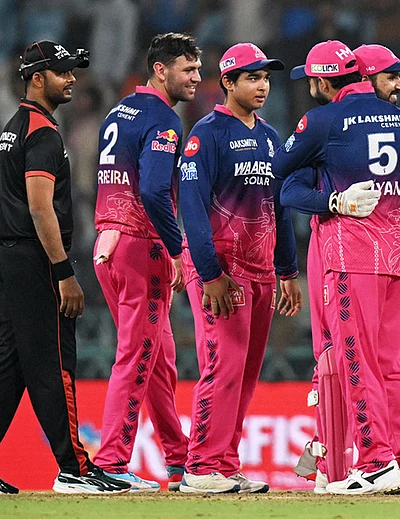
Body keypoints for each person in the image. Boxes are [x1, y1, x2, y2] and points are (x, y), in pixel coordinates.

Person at [0, 40, 130, 495]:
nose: (71, 79)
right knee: (54, 364)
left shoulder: (15, 127)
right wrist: (64, 271)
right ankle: (75, 469)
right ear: (36, 77)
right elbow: (40, 208)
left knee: (12, 364)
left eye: (72, 72)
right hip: (37, 259)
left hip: (13, 255)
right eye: (63, 72)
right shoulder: (43, 132)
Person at [273, 40, 400, 495]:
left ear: (323, 80)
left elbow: (277, 174)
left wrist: (326, 198)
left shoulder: (321, 121)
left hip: (353, 256)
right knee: (390, 362)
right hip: (399, 254)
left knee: (355, 360)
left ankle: (378, 462)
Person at [176, 43, 302, 494]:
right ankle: (201, 466)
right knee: (222, 366)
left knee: (245, 374)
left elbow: (281, 205)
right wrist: (209, 274)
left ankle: (225, 464)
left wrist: (287, 270)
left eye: (265, 77)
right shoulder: (206, 134)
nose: (262, 85)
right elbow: (189, 205)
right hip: (222, 272)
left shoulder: (271, 137)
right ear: (227, 82)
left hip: (262, 270)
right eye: (251, 77)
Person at [92, 33, 202, 492]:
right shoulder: (164, 121)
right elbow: (155, 192)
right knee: (137, 356)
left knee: (159, 358)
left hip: (107, 244)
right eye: (188, 69)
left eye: (198, 69)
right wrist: (176, 248)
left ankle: (179, 459)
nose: (197, 77)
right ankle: (112, 462)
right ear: (161, 70)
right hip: (142, 247)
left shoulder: (118, 113)